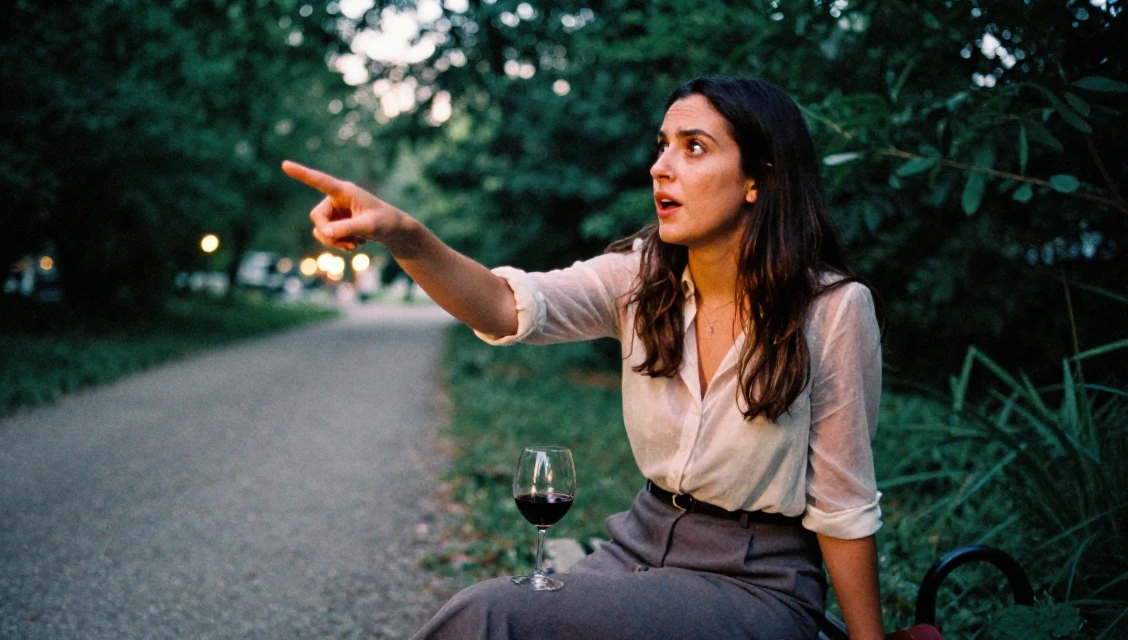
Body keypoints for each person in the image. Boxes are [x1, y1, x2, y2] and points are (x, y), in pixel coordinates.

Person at [283, 76, 885, 640]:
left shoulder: (830, 309)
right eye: (662, 146)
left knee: (494, 614)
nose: (660, 167)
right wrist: (403, 234)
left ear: (759, 178)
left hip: (756, 582)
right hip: (637, 544)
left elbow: (844, 507)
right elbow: (503, 306)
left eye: (694, 148)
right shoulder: (644, 279)